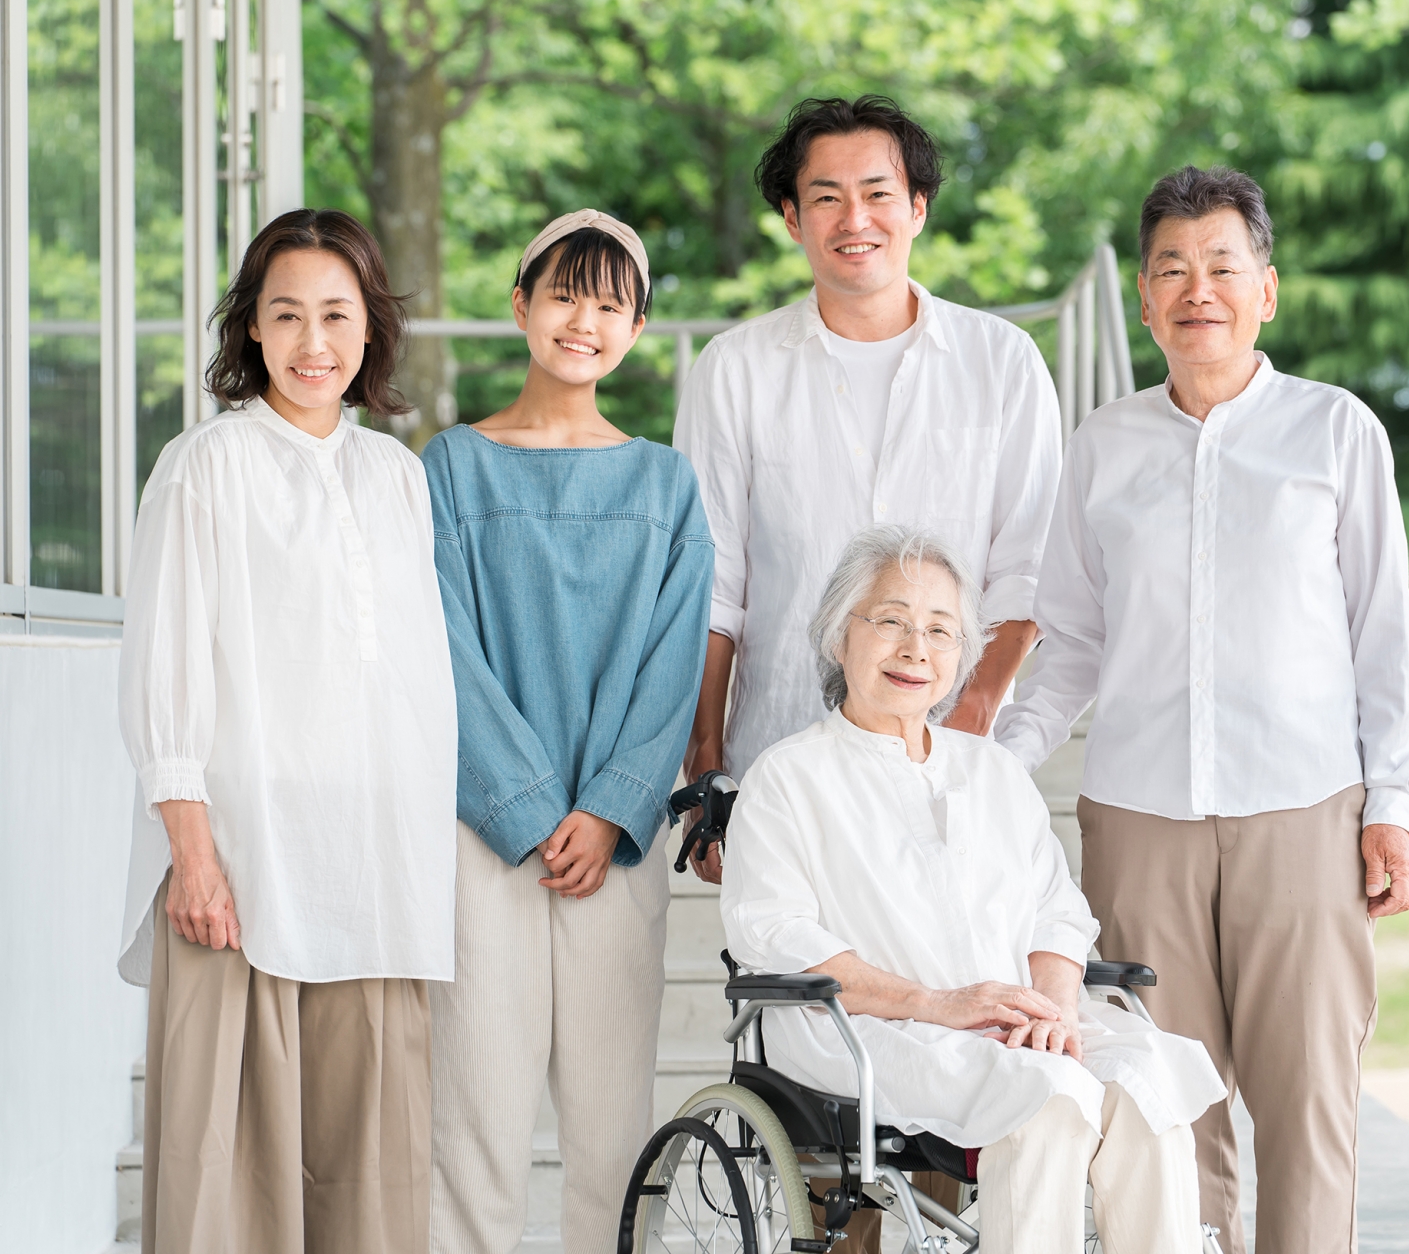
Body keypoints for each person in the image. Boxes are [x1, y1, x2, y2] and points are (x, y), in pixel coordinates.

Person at [996, 166, 1409, 1254]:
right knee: (1164, 1110)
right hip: (1139, 820)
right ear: (1143, 301)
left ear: (1266, 290)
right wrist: (990, 767)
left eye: (1223, 267)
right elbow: (1071, 646)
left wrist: (1395, 802)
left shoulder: (1337, 433)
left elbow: (1382, 633)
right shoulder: (1099, 446)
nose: (1200, 289)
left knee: (1309, 1104)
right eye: (1174, 270)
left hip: (1306, 811)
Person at [721, 526, 1226, 1254]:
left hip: (1013, 1018)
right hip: (864, 1027)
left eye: (939, 630)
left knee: (1146, 1089)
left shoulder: (991, 773)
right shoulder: (788, 778)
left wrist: (1054, 1014)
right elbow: (778, 939)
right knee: (1048, 1102)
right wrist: (939, 1005)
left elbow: (1056, 912)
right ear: (839, 637)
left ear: (961, 656)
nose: (915, 649)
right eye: (890, 621)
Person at [116, 208, 456, 1254]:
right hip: (241, 858)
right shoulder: (205, 464)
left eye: (338, 315)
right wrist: (193, 850)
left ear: (371, 331)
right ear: (251, 331)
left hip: (373, 871)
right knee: (230, 1172)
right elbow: (165, 663)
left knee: (370, 1171)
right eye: (288, 314)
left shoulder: (397, 475)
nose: (315, 342)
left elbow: (411, 683)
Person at [421, 211, 714, 1254]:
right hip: (481, 833)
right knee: (472, 1123)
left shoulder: (668, 485)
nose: (582, 320)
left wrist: (608, 807)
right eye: (563, 293)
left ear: (637, 324)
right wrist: (532, 805)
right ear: (520, 305)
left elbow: (673, 670)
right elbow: (442, 649)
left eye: (609, 302)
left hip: (613, 845)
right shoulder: (448, 467)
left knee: (612, 1131)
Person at [673, 94, 1061, 865]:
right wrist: (707, 772)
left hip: (952, 767)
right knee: (791, 985)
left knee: (954, 982)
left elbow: (1029, 570)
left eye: (879, 194)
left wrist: (969, 722)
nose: (855, 220)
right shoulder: (735, 370)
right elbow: (711, 587)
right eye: (826, 197)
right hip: (778, 766)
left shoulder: (1004, 362)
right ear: (792, 218)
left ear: (917, 208)